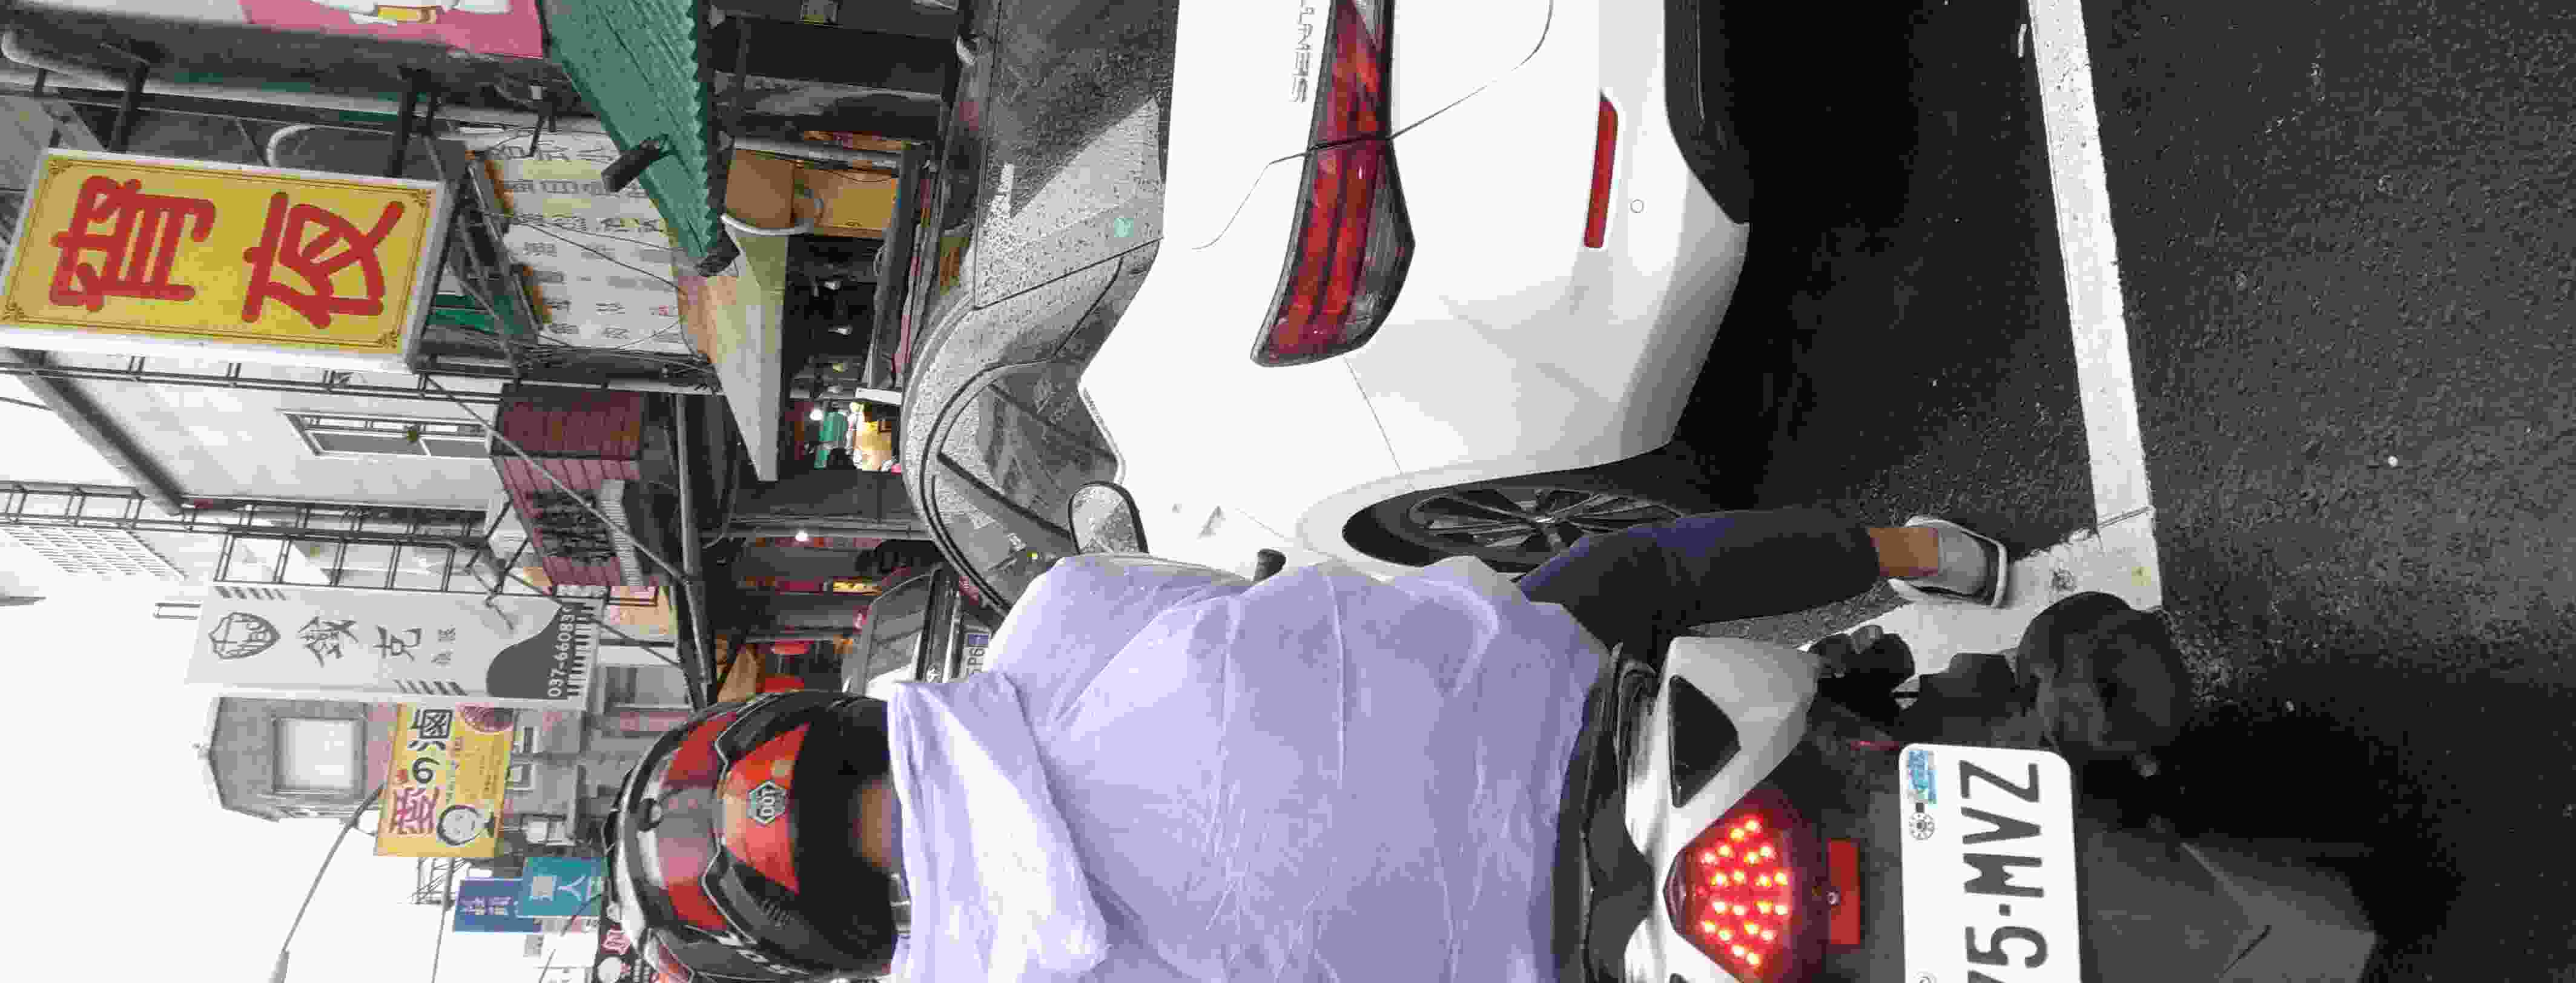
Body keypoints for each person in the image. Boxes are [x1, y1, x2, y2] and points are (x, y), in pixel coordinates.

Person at [611, 505, 2012, 983]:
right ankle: (1915, 551)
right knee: (1639, 569)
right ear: (849, 716)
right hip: (1588, 714)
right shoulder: (1064, 615)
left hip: (1593, 960)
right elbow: (1260, 599)